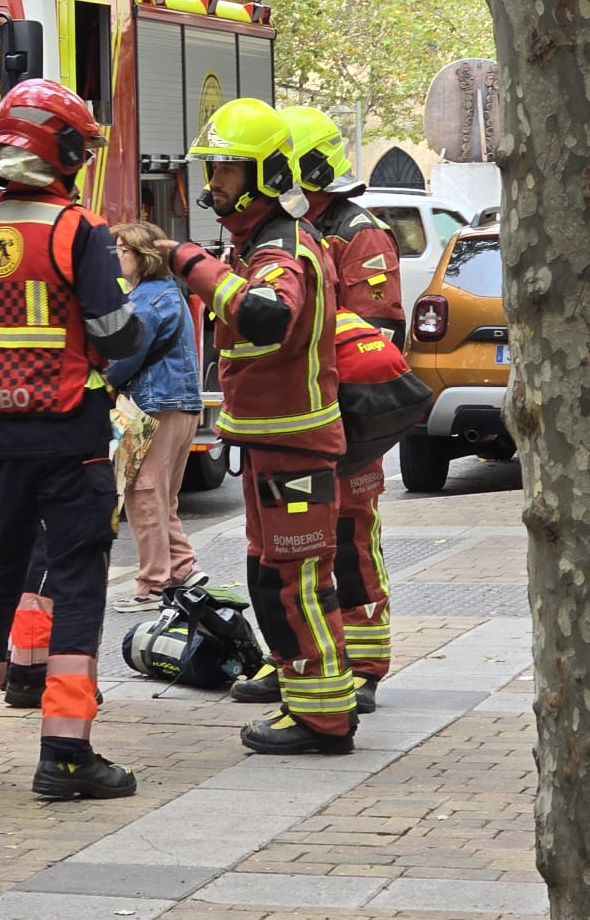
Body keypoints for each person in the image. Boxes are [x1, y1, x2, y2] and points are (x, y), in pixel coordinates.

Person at [0, 79, 144, 799]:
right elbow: (114, 333)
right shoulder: (76, 231)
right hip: (71, 437)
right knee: (76, 586)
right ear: (65, 152)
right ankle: (66, 757)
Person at [156, 97, 358, 755]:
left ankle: (324, 717)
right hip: (273, 442)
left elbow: (268, 315)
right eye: (212, 168)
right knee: (275, 579)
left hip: (294, 444)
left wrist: (190, 264)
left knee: (297, 584)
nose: (214, 183)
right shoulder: (259, 241)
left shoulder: (281, 249)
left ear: (267, 174)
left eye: (227, 170)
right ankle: (305, 701)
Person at [230, 103, 402, 715]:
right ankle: (300, 660)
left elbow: (376, 336)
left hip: (345, 414)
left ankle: (363, 665)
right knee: (287, 551)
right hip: (297, 413)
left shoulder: (360, 232)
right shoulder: (273, 233)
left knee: (352, 537)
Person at [106, 220, 208, 611]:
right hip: (179, 406)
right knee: (162, 496)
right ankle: (182, 568)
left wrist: (97, 380)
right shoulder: (168, 293)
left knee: (143, 493)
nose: (118, 256)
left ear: (143, 257)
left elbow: (124, 356)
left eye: (123, 250)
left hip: (153, 406)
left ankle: (153, 585)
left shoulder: (147, 301)